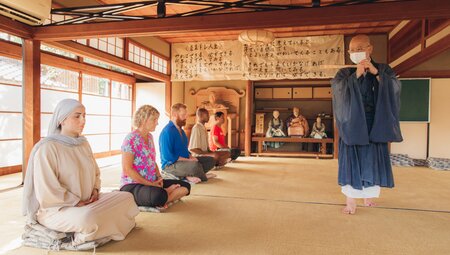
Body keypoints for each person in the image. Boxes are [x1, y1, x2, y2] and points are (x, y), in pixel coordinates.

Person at [22, 99, 139, 246]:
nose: (83, 120)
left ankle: (96, 227)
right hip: (59, 209)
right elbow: (47, 189)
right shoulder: (47, 148)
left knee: (126, 197)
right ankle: (84, 234)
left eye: (84, 115)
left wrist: (96, 190)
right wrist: (76, 201)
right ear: (62, 120)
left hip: (89, 202)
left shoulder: (83, 143)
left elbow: (96, 172)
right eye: (77, 116)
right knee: (88, 218)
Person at [332, 34, 403, 215]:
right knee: (351, 160)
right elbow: (338, 91)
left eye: (360, 48)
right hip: (352, 123)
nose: (355, 53)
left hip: (375, 122)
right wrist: (356, 75)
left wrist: (377, 74)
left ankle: (369, 196)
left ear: (370, 49)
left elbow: (395, 88)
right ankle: (350, 201)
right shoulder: (344, 73)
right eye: (352, 50)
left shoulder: (383, 69)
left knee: (372, 160)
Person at [120, 105, 191, 209]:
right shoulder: (130, 139)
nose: (157, 123)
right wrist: (150, 184)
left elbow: (152, 162)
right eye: (154, 120)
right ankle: (164, 195)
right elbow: (127, 169)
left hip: (152, 182)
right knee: (158, 195)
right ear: (144, 119)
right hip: (133, 185)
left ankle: (164, 197)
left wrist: (159, 178)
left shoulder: (150, 137)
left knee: (186, 186)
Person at [159, 103, 216, 183]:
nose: (186, 117)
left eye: (186, 114)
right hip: (170, 165)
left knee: (211, 160)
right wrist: (188, 160)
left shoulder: (181, 131)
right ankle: (197, 176)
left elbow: (185, 150)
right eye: (183, 114)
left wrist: (191, 157)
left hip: (185, 161)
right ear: (174, 114)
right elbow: (168, 157)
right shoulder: (167, 132)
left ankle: (190, 174)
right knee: (195, 166)